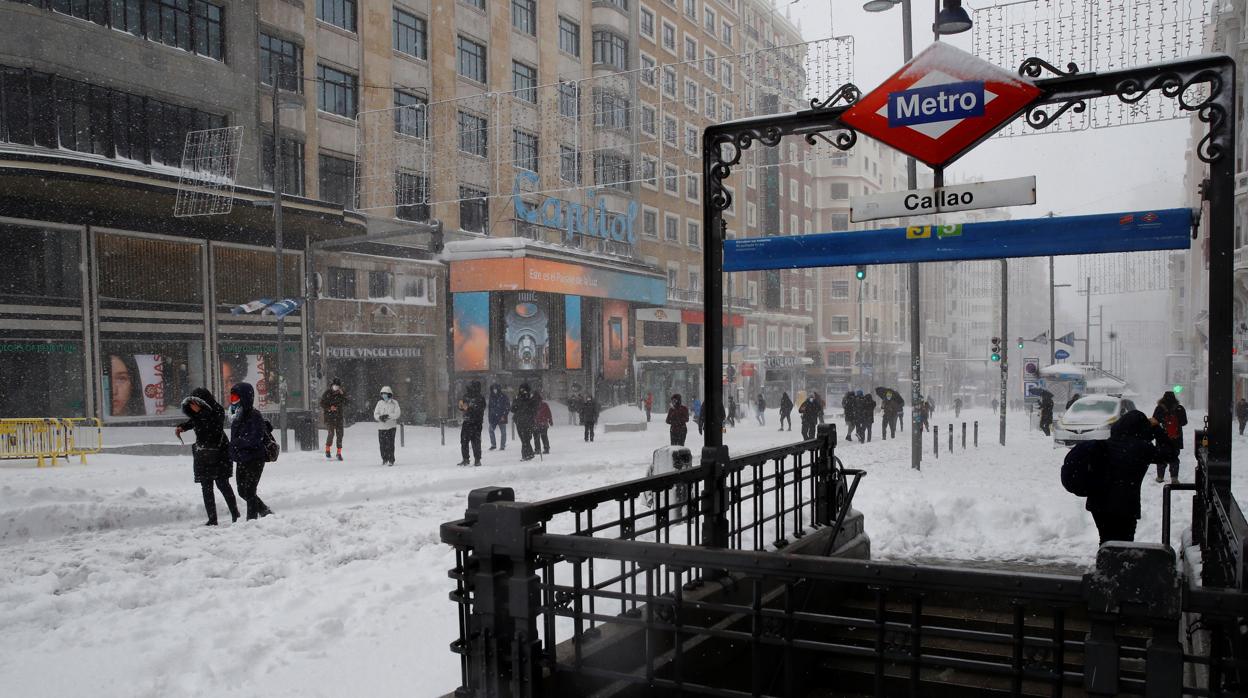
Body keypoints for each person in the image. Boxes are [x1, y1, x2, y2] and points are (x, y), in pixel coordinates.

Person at [1084, 410, 1164, 544]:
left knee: (1106, 540)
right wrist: (1156, 429)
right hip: (1125, 504)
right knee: (1124, 543)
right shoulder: (1142, 448)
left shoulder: (1108, 443)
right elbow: (1171, 453)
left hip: (1098, 503)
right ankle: (1116, 563)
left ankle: (1105, 563)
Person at [176, 388, 239, 526]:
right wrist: (183, 427)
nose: (194, 405)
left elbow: (214, 426)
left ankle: (235, 514)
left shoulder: (216, 409)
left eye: (196, 402)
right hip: (203, 453)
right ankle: (212, 519)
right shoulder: (199, 412)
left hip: (219, 451)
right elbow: (195, 421)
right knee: (206, 486)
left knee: (222, 484)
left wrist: (200, 412)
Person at [228, 382, 272, 520]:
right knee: (242, 491)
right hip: (242, 458)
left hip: (255, 458)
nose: (233, 401)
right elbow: (235, 437)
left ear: (245, 398)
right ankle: (264, 510)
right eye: (231, 398)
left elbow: (255, 439)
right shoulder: (236, 416)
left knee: (250, 491)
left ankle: (251, 521)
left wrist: (237, 443)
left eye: (235, 398)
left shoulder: (254, 415)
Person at [1152, 390, 1188, 484]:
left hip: (1162, 437)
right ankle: (1174, 478)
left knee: (1161, 456)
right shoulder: (1179, 408)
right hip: (1175, 437)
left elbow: (1154, 421)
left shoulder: (1159, 408)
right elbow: (1184, 422)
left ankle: (1160, 477)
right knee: (1174, 457)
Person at [319, 378, 350, 461]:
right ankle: (327, 450)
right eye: (335, 385)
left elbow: (347, 402)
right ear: (332, 385)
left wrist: (343, 395)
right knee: (331, 433)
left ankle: (339, 453)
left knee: (340, 435)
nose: (336, 387)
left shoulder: (341, 394)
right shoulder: (327, 393)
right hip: (329, 417)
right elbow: (321, 403)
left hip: (339, 417)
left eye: (338, 386)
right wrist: (329, 408)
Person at [457, 380, 486, 466]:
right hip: (467, 421)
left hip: (476, 422)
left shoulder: (480, 397)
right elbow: (462, 407)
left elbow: (480, 408)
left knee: (476, 441)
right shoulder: (466, 396)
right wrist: (461, 406)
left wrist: (470, 407)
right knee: (464, 441)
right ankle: (465, 459)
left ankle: (477, 459)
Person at [373, 386, 400, 467]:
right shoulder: (379, 403)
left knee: (390, 444)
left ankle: (391, 460)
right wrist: (380, 417)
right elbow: (375, 414)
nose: (384, 395)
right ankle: (384, 459)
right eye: (383, 394)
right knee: (382, 445)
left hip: (391, 427)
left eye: (386, 394)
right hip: (381, 428)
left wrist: (388, 416)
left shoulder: (395, 403)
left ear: (389, 394)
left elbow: (397, 414)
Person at [511, 383, 539, 461]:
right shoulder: (517, 399)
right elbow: (512, 409)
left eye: (524, 390)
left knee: (526, 439)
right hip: (520, 422)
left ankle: (526, 455)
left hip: (528, 422)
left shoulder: (531, 399)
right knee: (524, 439)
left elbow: (535, 410)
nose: (522, 391)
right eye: (521, 389)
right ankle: (528, 454)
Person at [487, 384, 510, 452]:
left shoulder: (504, 396)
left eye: (496, 389)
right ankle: (493, 445)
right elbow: (490, 408)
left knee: (503, 432)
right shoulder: (491, 397)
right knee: (491, 430)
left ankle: (502, 446)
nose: (494, 390)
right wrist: (489, 416)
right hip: (493, 417)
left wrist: (504, 415)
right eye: (493, 389)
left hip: (501, 417)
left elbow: (507, 407)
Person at [534, 391, 552, 455]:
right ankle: (546, 448)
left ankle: (538, 449)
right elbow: (548, 413)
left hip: (538, 423)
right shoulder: (544, 404)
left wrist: (550, 420)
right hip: (542, 423)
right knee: (543, 436)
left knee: (537, 437)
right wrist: (550, 420)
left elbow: (548, 413)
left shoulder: (534, 405)